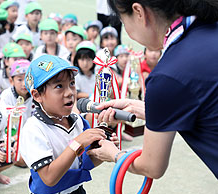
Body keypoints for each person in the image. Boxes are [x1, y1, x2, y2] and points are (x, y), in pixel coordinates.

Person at [87, 0, 218, 180]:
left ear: (139, 12)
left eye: (124, 22)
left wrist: (113, 154)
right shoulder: (208, 27)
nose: (129, 32)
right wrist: (147, 109)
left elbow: (151, 167)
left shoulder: (167, 75)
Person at [20, 55, 110, 194]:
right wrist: (78, 143)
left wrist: (105, 152)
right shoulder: (33, 129)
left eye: (72, 83)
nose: (69, 92)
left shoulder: (77, 121)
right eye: (59, 86)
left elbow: (84, 163)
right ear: (37, 95)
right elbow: (49, 178)